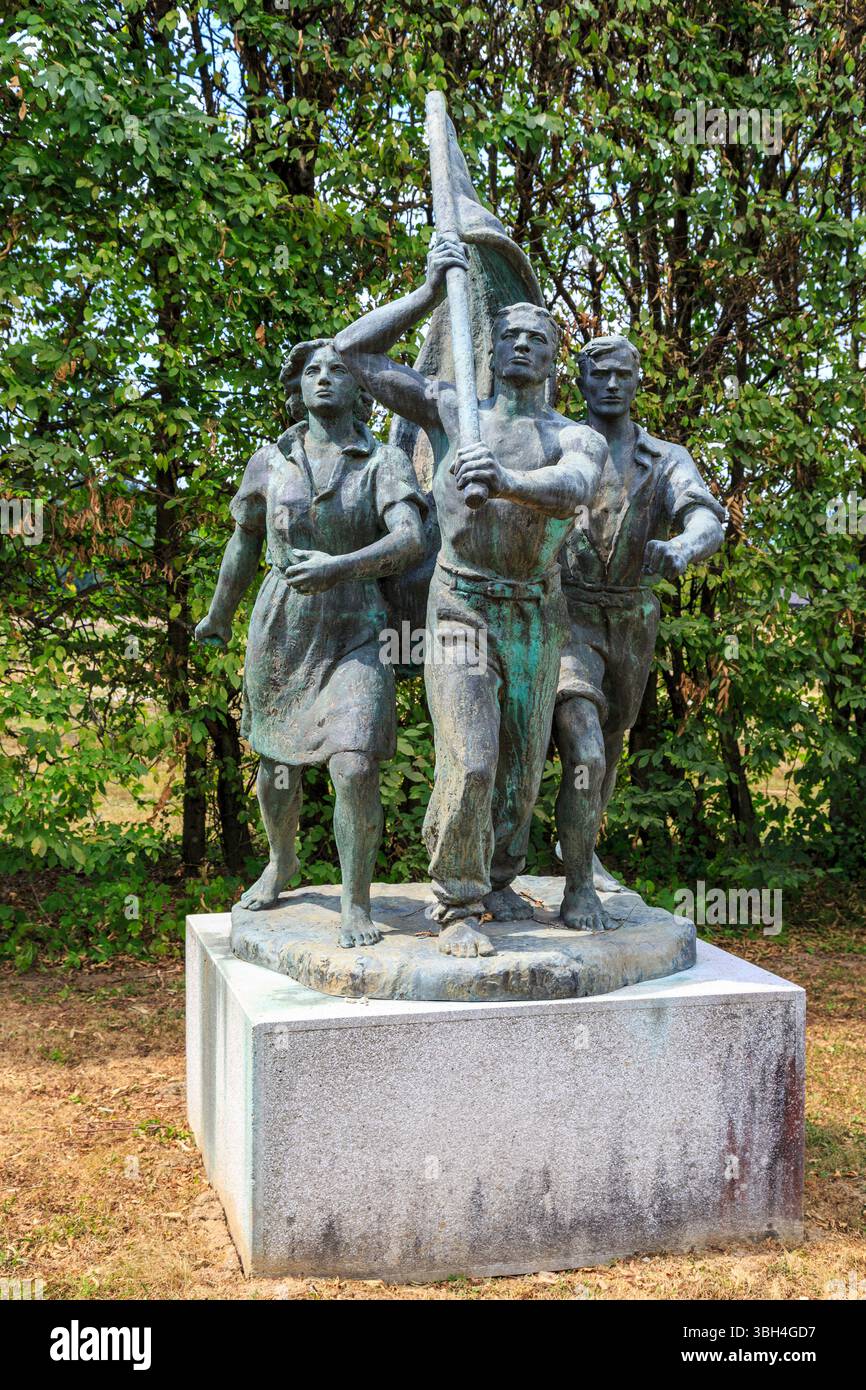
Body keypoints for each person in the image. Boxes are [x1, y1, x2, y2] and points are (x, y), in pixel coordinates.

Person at [335, 236, 606, 958]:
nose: (521, 346)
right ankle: (457, 901)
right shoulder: (456, 409)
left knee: (518, 777)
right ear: (490, 349)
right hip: (461, 604)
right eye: (509, 336)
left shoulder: (573, 435)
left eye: (536, 339)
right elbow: (354, 357)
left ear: (552, 361)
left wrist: (508, 481)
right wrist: (426, 292)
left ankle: (499, 877)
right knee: (474, 758)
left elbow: (575, 488)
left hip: (535, 611)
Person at [195, 340, 426, 947]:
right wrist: (219, 614)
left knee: (353, 765)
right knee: (276, 768)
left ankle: (356, 902)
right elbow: (244, 540)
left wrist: (341, 568)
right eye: (311, 371)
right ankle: (283, 860)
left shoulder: (383, 462)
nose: (324, 379)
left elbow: (409, 541)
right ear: (296, 386)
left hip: (359, 629)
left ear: (360, 388)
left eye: (339, 371)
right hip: (284, 627)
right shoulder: (270, 461)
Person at [553, 335, 727, 930]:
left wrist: (682, 546)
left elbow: (707, 517)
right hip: (563, 614)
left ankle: (580, 846)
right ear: (580, 381)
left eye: (621, 374)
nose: (610, 384)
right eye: (598, 373)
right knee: (586, 748)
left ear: (636, 381)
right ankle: (577, 887)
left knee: (610, 739)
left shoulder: (666, 457)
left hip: (630, 621)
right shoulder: (556, 442)